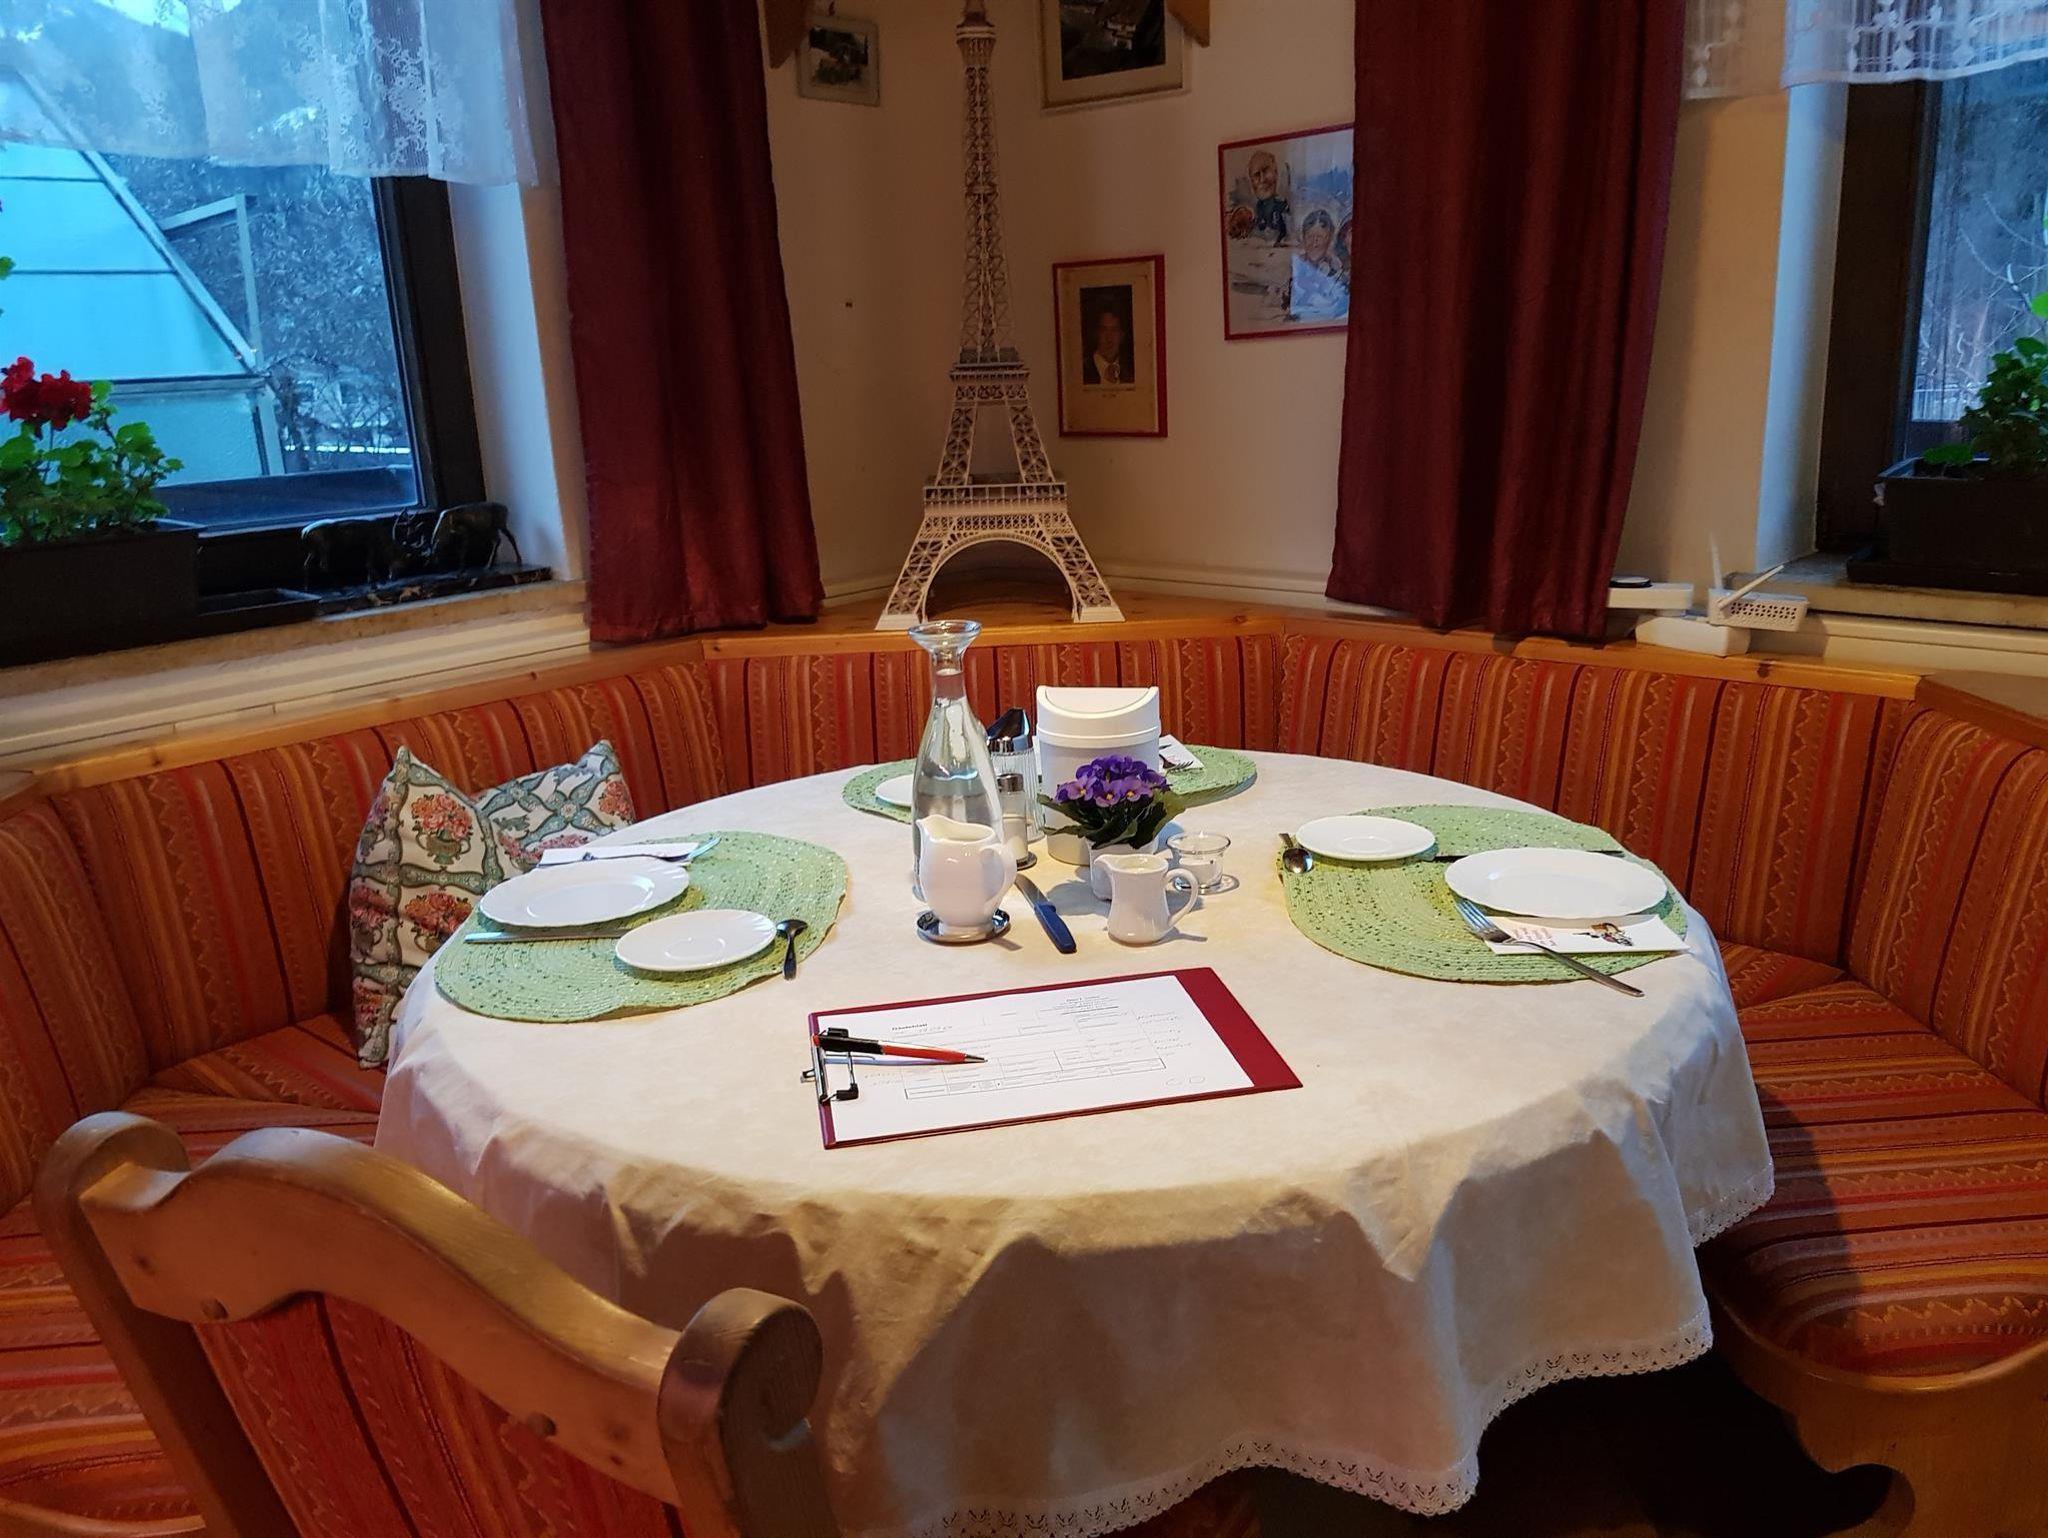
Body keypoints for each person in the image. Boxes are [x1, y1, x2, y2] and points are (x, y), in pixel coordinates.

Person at [1082, 304, 1135, 386]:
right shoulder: (1083, 370)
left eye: (1114, 330)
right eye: (1103, 330)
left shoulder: (1130, 370)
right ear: (1096, 333)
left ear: (1122, 335)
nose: (1109, 338)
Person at [1246, 149, 1289, 242]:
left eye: (1266, 171)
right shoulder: (1255, 211)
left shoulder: (1284, 206)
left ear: (1276, 173)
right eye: (1257, 175)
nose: (1262, 179)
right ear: (1252, 181)